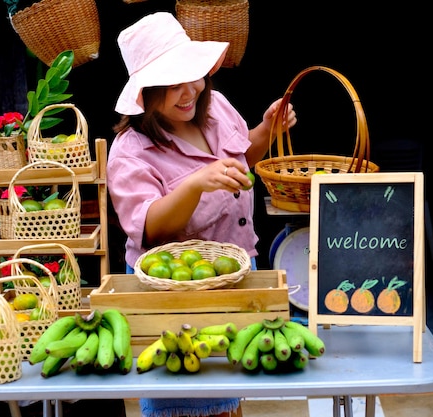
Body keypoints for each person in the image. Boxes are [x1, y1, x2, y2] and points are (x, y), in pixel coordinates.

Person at [106, 12, 297, 417]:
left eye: (192, 75)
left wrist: (266, 129)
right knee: (185, 399)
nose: (189, 90)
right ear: (145, 93)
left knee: (229, 397)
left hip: (232, 273)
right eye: (172, 84)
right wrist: (194, 184)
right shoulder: (130, 152)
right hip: (174, 292)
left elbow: (241, 161)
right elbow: (150, 227)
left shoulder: (216, 109)